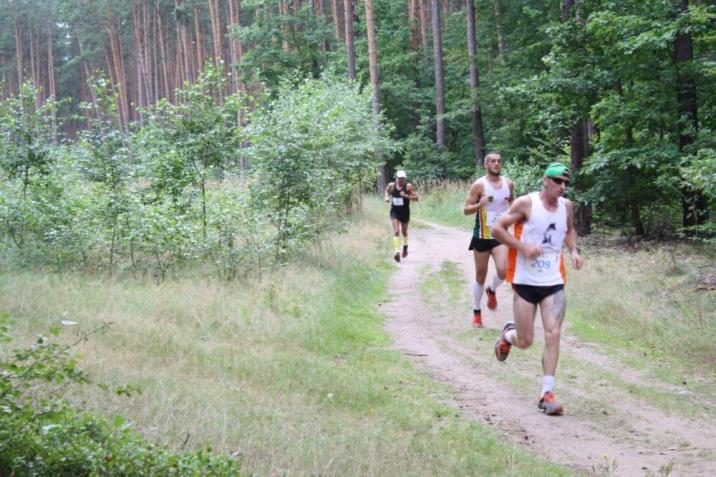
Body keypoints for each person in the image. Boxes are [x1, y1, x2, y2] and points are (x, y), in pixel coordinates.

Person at [491, 162, 584, 416]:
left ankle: (547, 393)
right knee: (526, 341)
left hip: (553, 280)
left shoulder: (566, 206)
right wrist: (523, 248)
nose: (562, 187)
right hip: (525, 280)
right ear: (545, 180)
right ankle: (508, 336)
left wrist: (574, 250)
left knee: (553, 334)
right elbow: (497, 229)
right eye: (558, 181)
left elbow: (570, 230)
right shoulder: (526, 203)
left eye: (566, 183)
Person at [463, 152, 514, 328]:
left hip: (500, 235)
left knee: (503, 270)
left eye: (499, 161)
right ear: (486, 164)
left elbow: (513, 206)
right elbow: (466, 209)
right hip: (482, 235)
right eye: (493, 161)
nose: (496, 164)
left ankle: (491, 290)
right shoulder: (479, 185)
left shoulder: (509, 184)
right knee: (480, 275)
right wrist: (478, 205)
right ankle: (477, 312)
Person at [384, 170, 419, 262]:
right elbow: (386, 191)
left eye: (402, 179)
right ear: (397, 178)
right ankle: (396, 252)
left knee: (404, 232)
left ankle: (405, 247)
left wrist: (406, 196)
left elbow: (416, 198)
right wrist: (386, 197)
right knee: (396, 231)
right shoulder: (392, 185)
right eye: (399, 178)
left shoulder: (408, 187)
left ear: (405, 179)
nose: (401, 180)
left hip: (405, 212)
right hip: (394, 212)